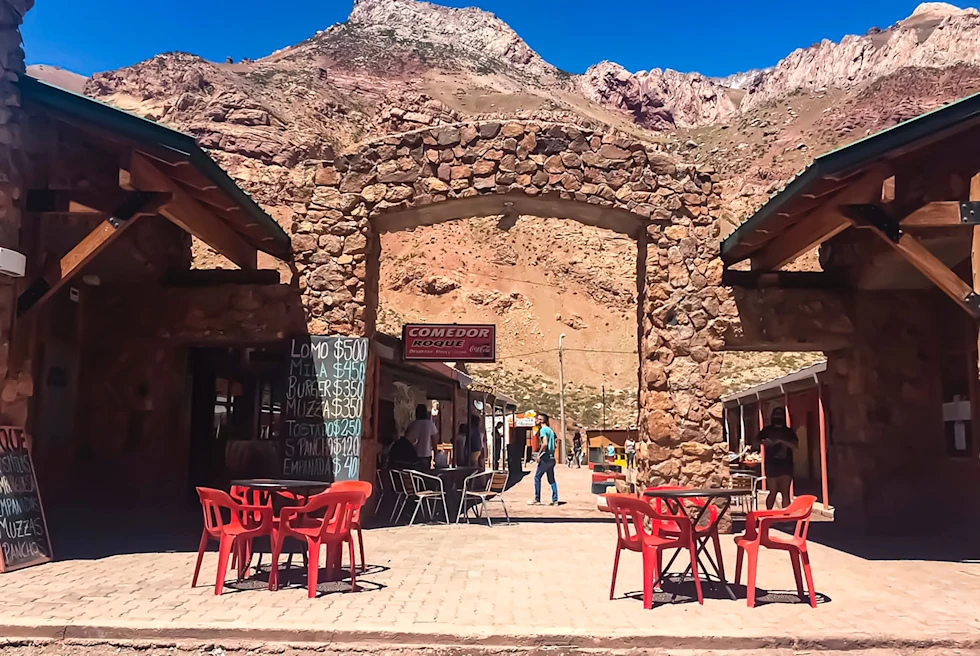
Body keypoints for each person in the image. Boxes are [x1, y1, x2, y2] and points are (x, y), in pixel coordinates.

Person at [755, 407, 798, 509]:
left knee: (785, 493)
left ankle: (786, 517)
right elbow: (756, 441)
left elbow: (795, 445)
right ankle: (769, 513)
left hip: (786, 464)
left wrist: (781, 441)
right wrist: (764, 442)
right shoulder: (767, 430)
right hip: (771, 464)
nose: (778, 417)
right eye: (776, 415)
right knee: (773, 492)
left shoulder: (788, 431)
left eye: (780, 415)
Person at [528, 413, 558, 505]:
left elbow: (545, 443)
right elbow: (555, 444)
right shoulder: (550, 430)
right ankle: (555, 500)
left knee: (537, 477)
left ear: (541, 421)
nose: (536, 421)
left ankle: (537, 499)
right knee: (551, 479)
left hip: (545, 459)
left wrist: (539, 454)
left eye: (537, 419)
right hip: (552, 458)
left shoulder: (543, 430)